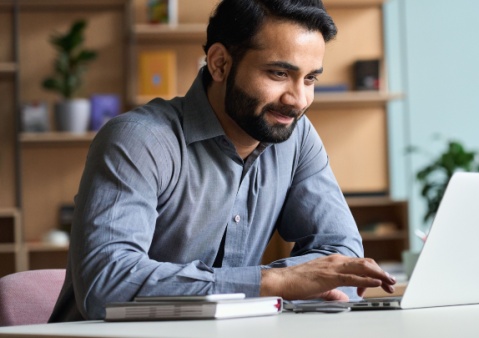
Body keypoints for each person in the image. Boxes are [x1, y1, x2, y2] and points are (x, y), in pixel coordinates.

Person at [49, 0, 395, 322]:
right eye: (278, 74)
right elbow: (106, 283)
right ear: (219, 64)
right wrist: (272, 282)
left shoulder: (296, 136)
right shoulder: (138, 140)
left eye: (310, 78)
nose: (298, 99)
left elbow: (343, 254)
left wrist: (291, 283)